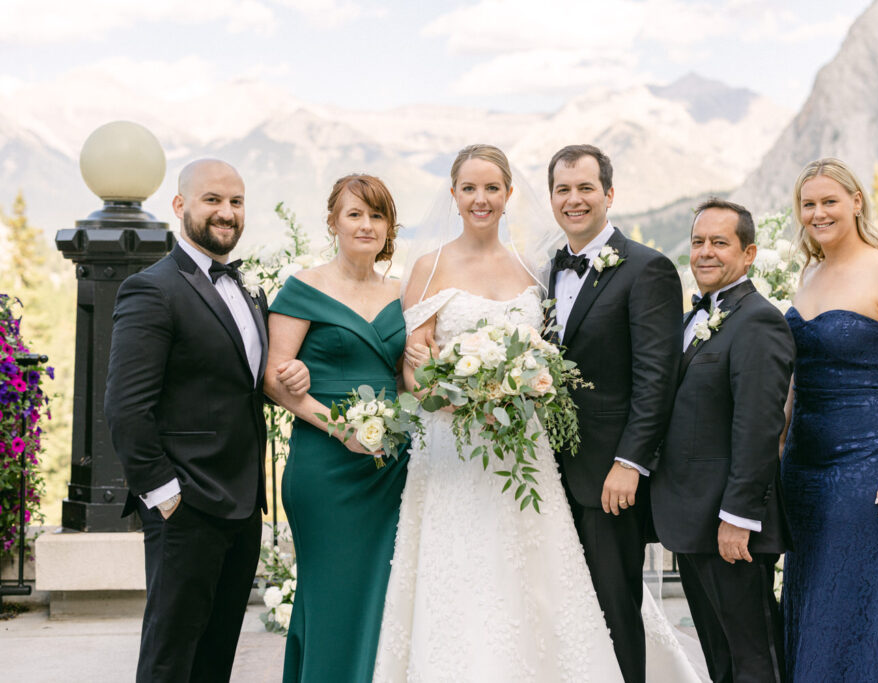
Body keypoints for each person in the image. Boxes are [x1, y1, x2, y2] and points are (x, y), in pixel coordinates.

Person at [374, 144, 701, 682]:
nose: (481, 198)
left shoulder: (533, 270)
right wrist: (454, 394)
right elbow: (414, 368)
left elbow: (574, 362)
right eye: (470, 188)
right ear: (453, 195)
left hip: (525, 453)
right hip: (453, 451)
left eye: (492, 188)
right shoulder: (429, 267)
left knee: (542, 582)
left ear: (508, 196)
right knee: (461, 581)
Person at [105, 159, 309, 682]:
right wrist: (163, 493)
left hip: (242, 507)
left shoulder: (247, 290)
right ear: (181, 206)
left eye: (236, 202)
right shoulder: (152, 289)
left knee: (216, 656)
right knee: (170, 659)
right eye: (212, 200)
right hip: (186, 508)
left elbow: (247, 384)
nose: (226, 212)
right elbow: (127, 408)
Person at [781, 158, 878, 682]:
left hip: (868, 464)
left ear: (856, 202)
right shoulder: (810, 273)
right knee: (810, 592)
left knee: (848, 598)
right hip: (804, 460)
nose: (819, 213)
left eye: (830, 201)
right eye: (809, 204)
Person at [546, 144, 683, 683]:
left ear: (609, 194)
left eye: (585, 188)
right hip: (550, 470)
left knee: (614, 607)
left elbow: (657, 377)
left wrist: (630, 462)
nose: (574, 200)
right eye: (563, 189)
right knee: (564, 607)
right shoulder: (546, 271)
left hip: (609, 475)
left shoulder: (648, 269)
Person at [264, 174, 408, 682]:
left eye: (376, 215)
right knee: (331, 594)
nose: (366, 225)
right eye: (354, 214)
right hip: (326, 468)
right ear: (333, 223)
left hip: (391, 469)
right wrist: (341, 428)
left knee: (385, 596)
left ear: (389, 226)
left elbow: (405, 377)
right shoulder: (305, 287)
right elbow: (274, 378)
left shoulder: (403, 292)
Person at [652, 198, 794, 682]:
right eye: (697, 242)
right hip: (693, 521)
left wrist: (739, 518)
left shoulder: (758, 320)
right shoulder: (699, 317)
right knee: (720, 659)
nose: (705, 252)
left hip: (731, 527)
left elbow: (758, 428)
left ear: (749, 253)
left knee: (756, 659)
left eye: (719, 242)